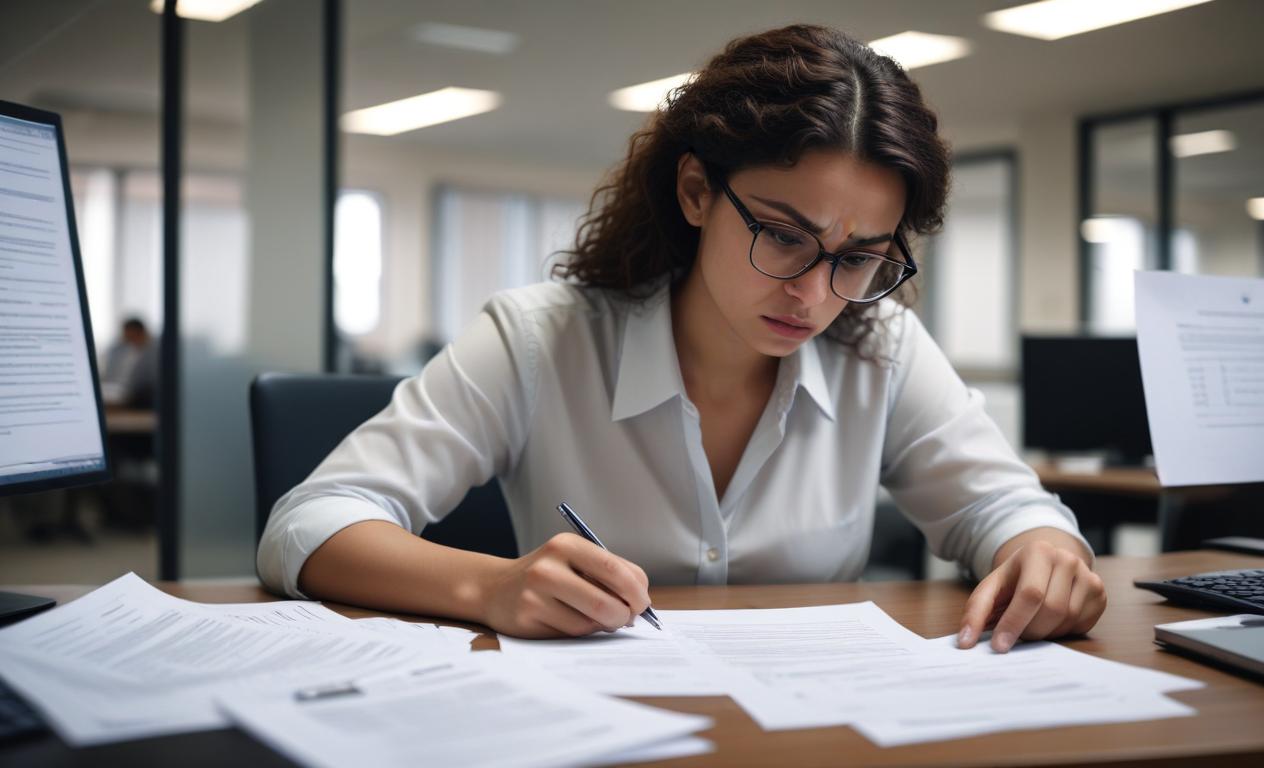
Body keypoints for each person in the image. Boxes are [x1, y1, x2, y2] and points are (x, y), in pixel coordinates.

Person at [258, 24, 1106, 652]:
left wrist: (1041, 548)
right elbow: (310, 522)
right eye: (782, 235)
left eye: (858, 257)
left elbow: (1006, 508)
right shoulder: (538, 340)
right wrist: (489, 584)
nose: (816, 293)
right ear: (697, 191)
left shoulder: (879, 345)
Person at [100, 317, 157, 409]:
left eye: (128, 331)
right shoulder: (119, 349)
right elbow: (109, 373)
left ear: (139, 331)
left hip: (136, 393)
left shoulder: (153, 352)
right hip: (114, 389)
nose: (125, 335)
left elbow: (149, 379)